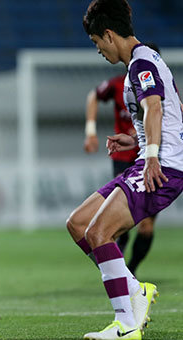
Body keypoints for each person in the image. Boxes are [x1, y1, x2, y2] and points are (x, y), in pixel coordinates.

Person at [67, 0, 183, 339]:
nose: (99, 50)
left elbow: (155, 108)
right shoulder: (144, 60)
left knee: (98, 233)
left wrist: (150, 156)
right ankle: (135, 290)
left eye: (96, 43)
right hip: (153, 159)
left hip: (163, 168)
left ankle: (127, 324)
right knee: (78, 224)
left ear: (108, 34)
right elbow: (172, 113)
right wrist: (135, 141)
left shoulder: (141, 63)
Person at [83, 42, 161, 277]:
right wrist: (90, 131)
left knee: (146, 225)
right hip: (124, 157)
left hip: (151, 158)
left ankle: (132, 270)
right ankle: (122, 268)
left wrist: (139, 138)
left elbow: (160, 117)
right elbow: (93, 96)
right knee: (120, 210)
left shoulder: (160, 90)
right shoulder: (119, 85)